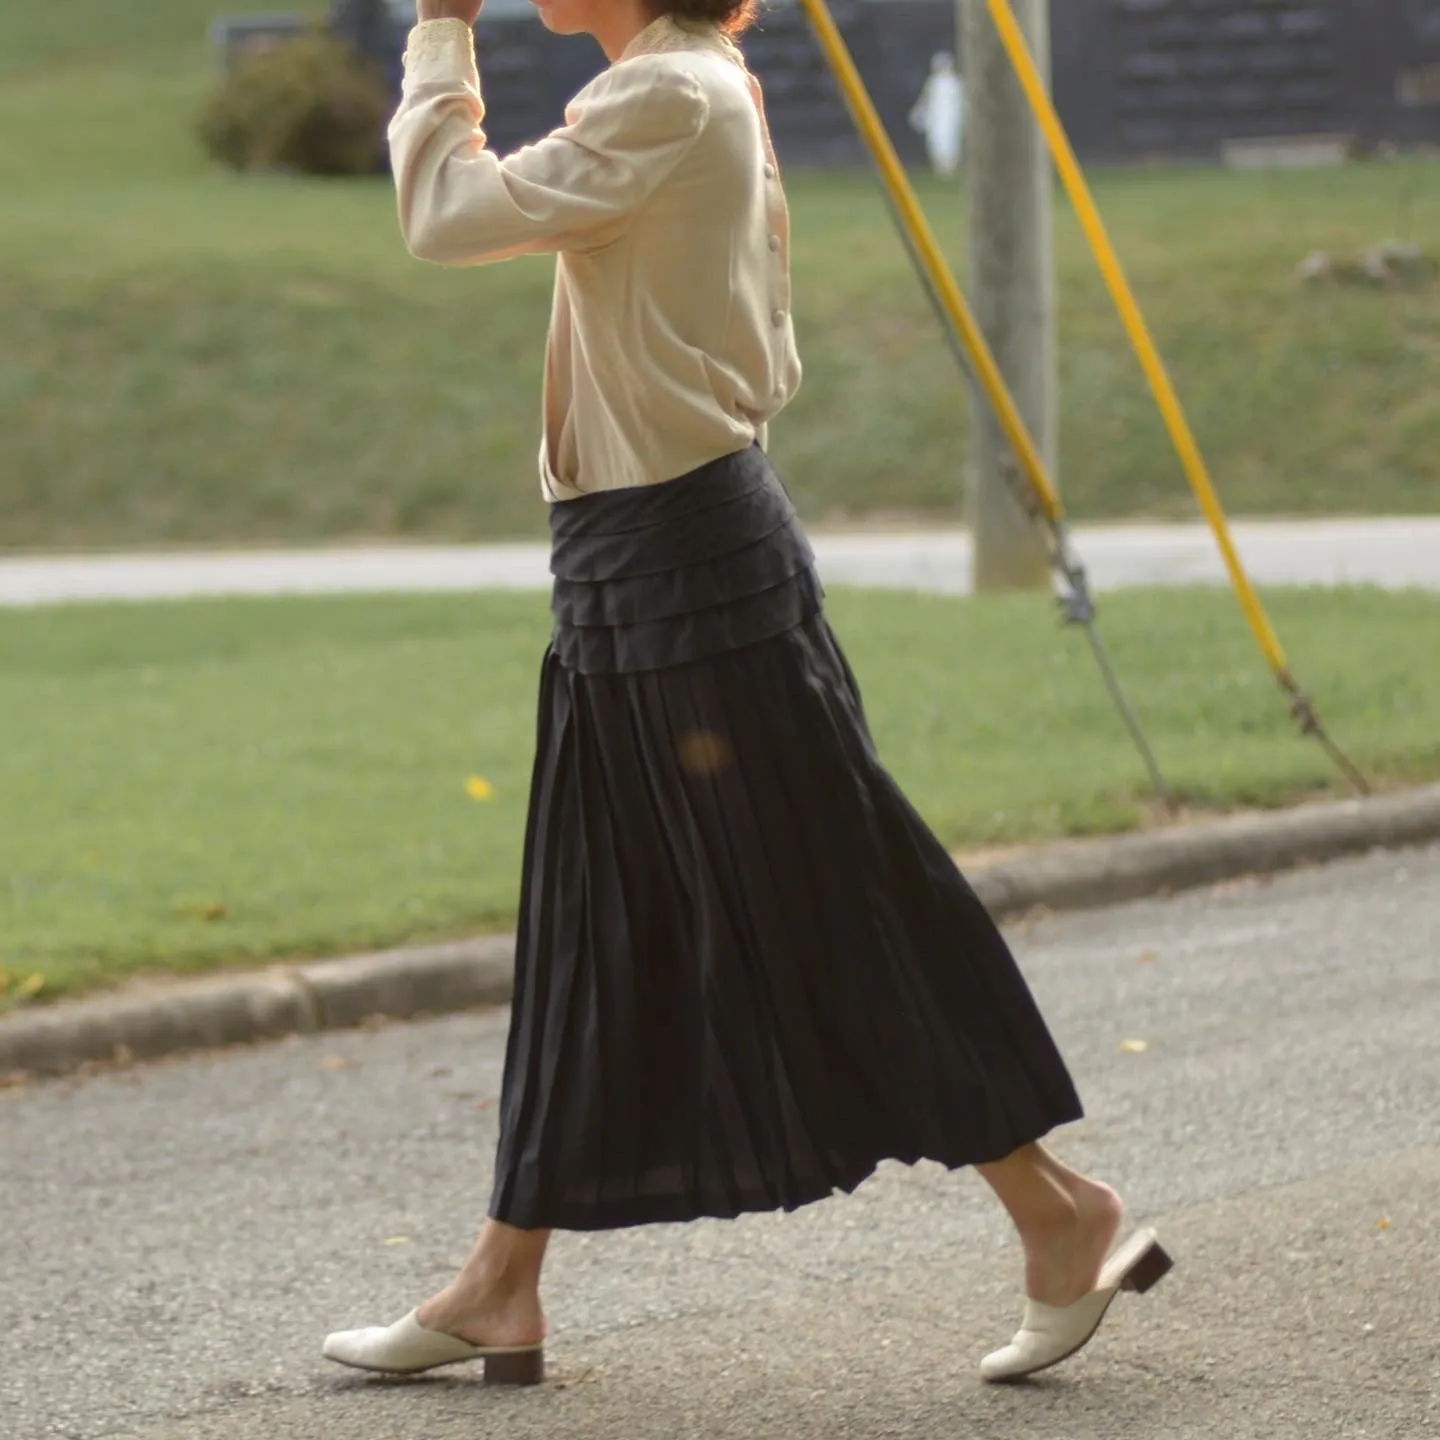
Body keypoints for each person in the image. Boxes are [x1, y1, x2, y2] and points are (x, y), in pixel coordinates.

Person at [322, 0, 1172, 1390]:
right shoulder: (683, 86)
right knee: (593, 918)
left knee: (827, 907)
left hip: (690, 573)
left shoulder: (668, 99)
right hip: (634, 567)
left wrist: (437, 34)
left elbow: (444, 214)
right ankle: (500, 1282)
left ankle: (1058, 1209)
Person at [909, 50, 965, 178]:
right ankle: (941, 169)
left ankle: (949, 169)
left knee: (950, 143)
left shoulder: (955, 83)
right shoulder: (933, 82)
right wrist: (919, 114)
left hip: (950, 119)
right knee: (936, 143)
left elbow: (960, 102)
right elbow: (926, 100)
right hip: (936, 119)